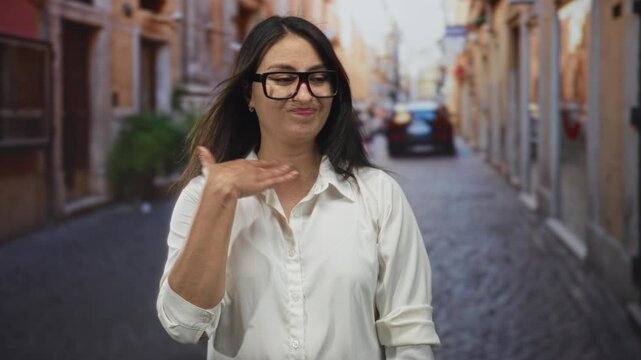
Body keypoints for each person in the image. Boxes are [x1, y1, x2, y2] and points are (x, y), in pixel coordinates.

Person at [156, 15, 440, 360]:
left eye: (319, 78)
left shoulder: (379, 195)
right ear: (249, 93)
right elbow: (183, 326)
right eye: (283, 78)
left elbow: (409, 335)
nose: (304, 94)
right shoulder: (203, 196)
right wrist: (218, 198)